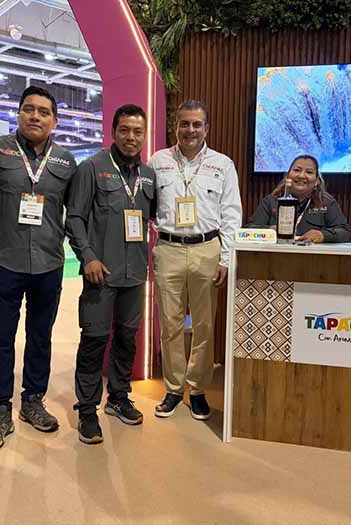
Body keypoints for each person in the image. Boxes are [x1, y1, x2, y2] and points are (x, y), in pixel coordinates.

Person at [0, 86, 77, 451]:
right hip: (5, 260)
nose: (35, 116)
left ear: (55, 121)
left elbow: (77, 211)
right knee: (0, 337)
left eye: (44, 112)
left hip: (49, 262)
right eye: (29, 109)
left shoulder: (66, 162)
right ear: (18, 114)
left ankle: (33, 400)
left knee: (40, 336)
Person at [66, 104, 156, 444]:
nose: (131, 137)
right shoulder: (92, 168)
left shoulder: (149, 175)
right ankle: (87, 410)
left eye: (137, 131)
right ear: (113, 132)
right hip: (100, 274)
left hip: (135, 274)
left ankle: (118, 398)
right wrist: (87, 257)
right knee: (94, 340)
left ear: (144, 135)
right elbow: (75, 217)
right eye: (124, 130)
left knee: (126, 339)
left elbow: (153, 217)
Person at [148, 100, 242, 421]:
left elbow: (231, 214)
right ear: (176, 126)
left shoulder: (222, 165)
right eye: (185, 123)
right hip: (168, 248)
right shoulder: (158, 161)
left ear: (207, 128)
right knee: (170, 324)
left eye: (196, 124)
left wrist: (226, 258)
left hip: (207, 250)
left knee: (204, 325)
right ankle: (174, 389)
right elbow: (146, 204)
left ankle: (198, 389)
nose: (190, 130)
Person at [246, 154, 351, 243]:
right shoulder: (271, 201)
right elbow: (249, 229)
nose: (301, 175)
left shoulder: (326, 202)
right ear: (288, 176)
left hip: (312, 257)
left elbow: (345, 232)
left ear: (317, 181)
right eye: (297, 170)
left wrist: (322, 235)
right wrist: (269, 230)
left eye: (309, 172)